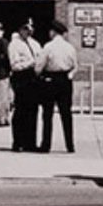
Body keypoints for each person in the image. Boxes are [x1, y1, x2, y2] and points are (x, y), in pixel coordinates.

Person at [36, 19, 78, 153]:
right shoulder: (70, 47)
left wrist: (38, 74)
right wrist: (69, 76)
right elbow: (75, 66)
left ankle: (46, 144)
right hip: (65, 80)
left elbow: (39, 66)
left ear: (53, 32)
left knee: (47, 114)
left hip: (50, 80)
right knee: (66, 114)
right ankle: (70, 145)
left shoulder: (48, 47)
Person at [8, 20, 42, 152]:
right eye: (26, 29)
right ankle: (18, 142)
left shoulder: (35, 44)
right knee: (21, 110)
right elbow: (14, 65)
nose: (28, 31)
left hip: (34, 77)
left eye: (30, 29)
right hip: (21, 77)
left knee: (33, 110)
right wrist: (30, 63)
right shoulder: (15, 45)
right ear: (20, 29)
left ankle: (30, 142)